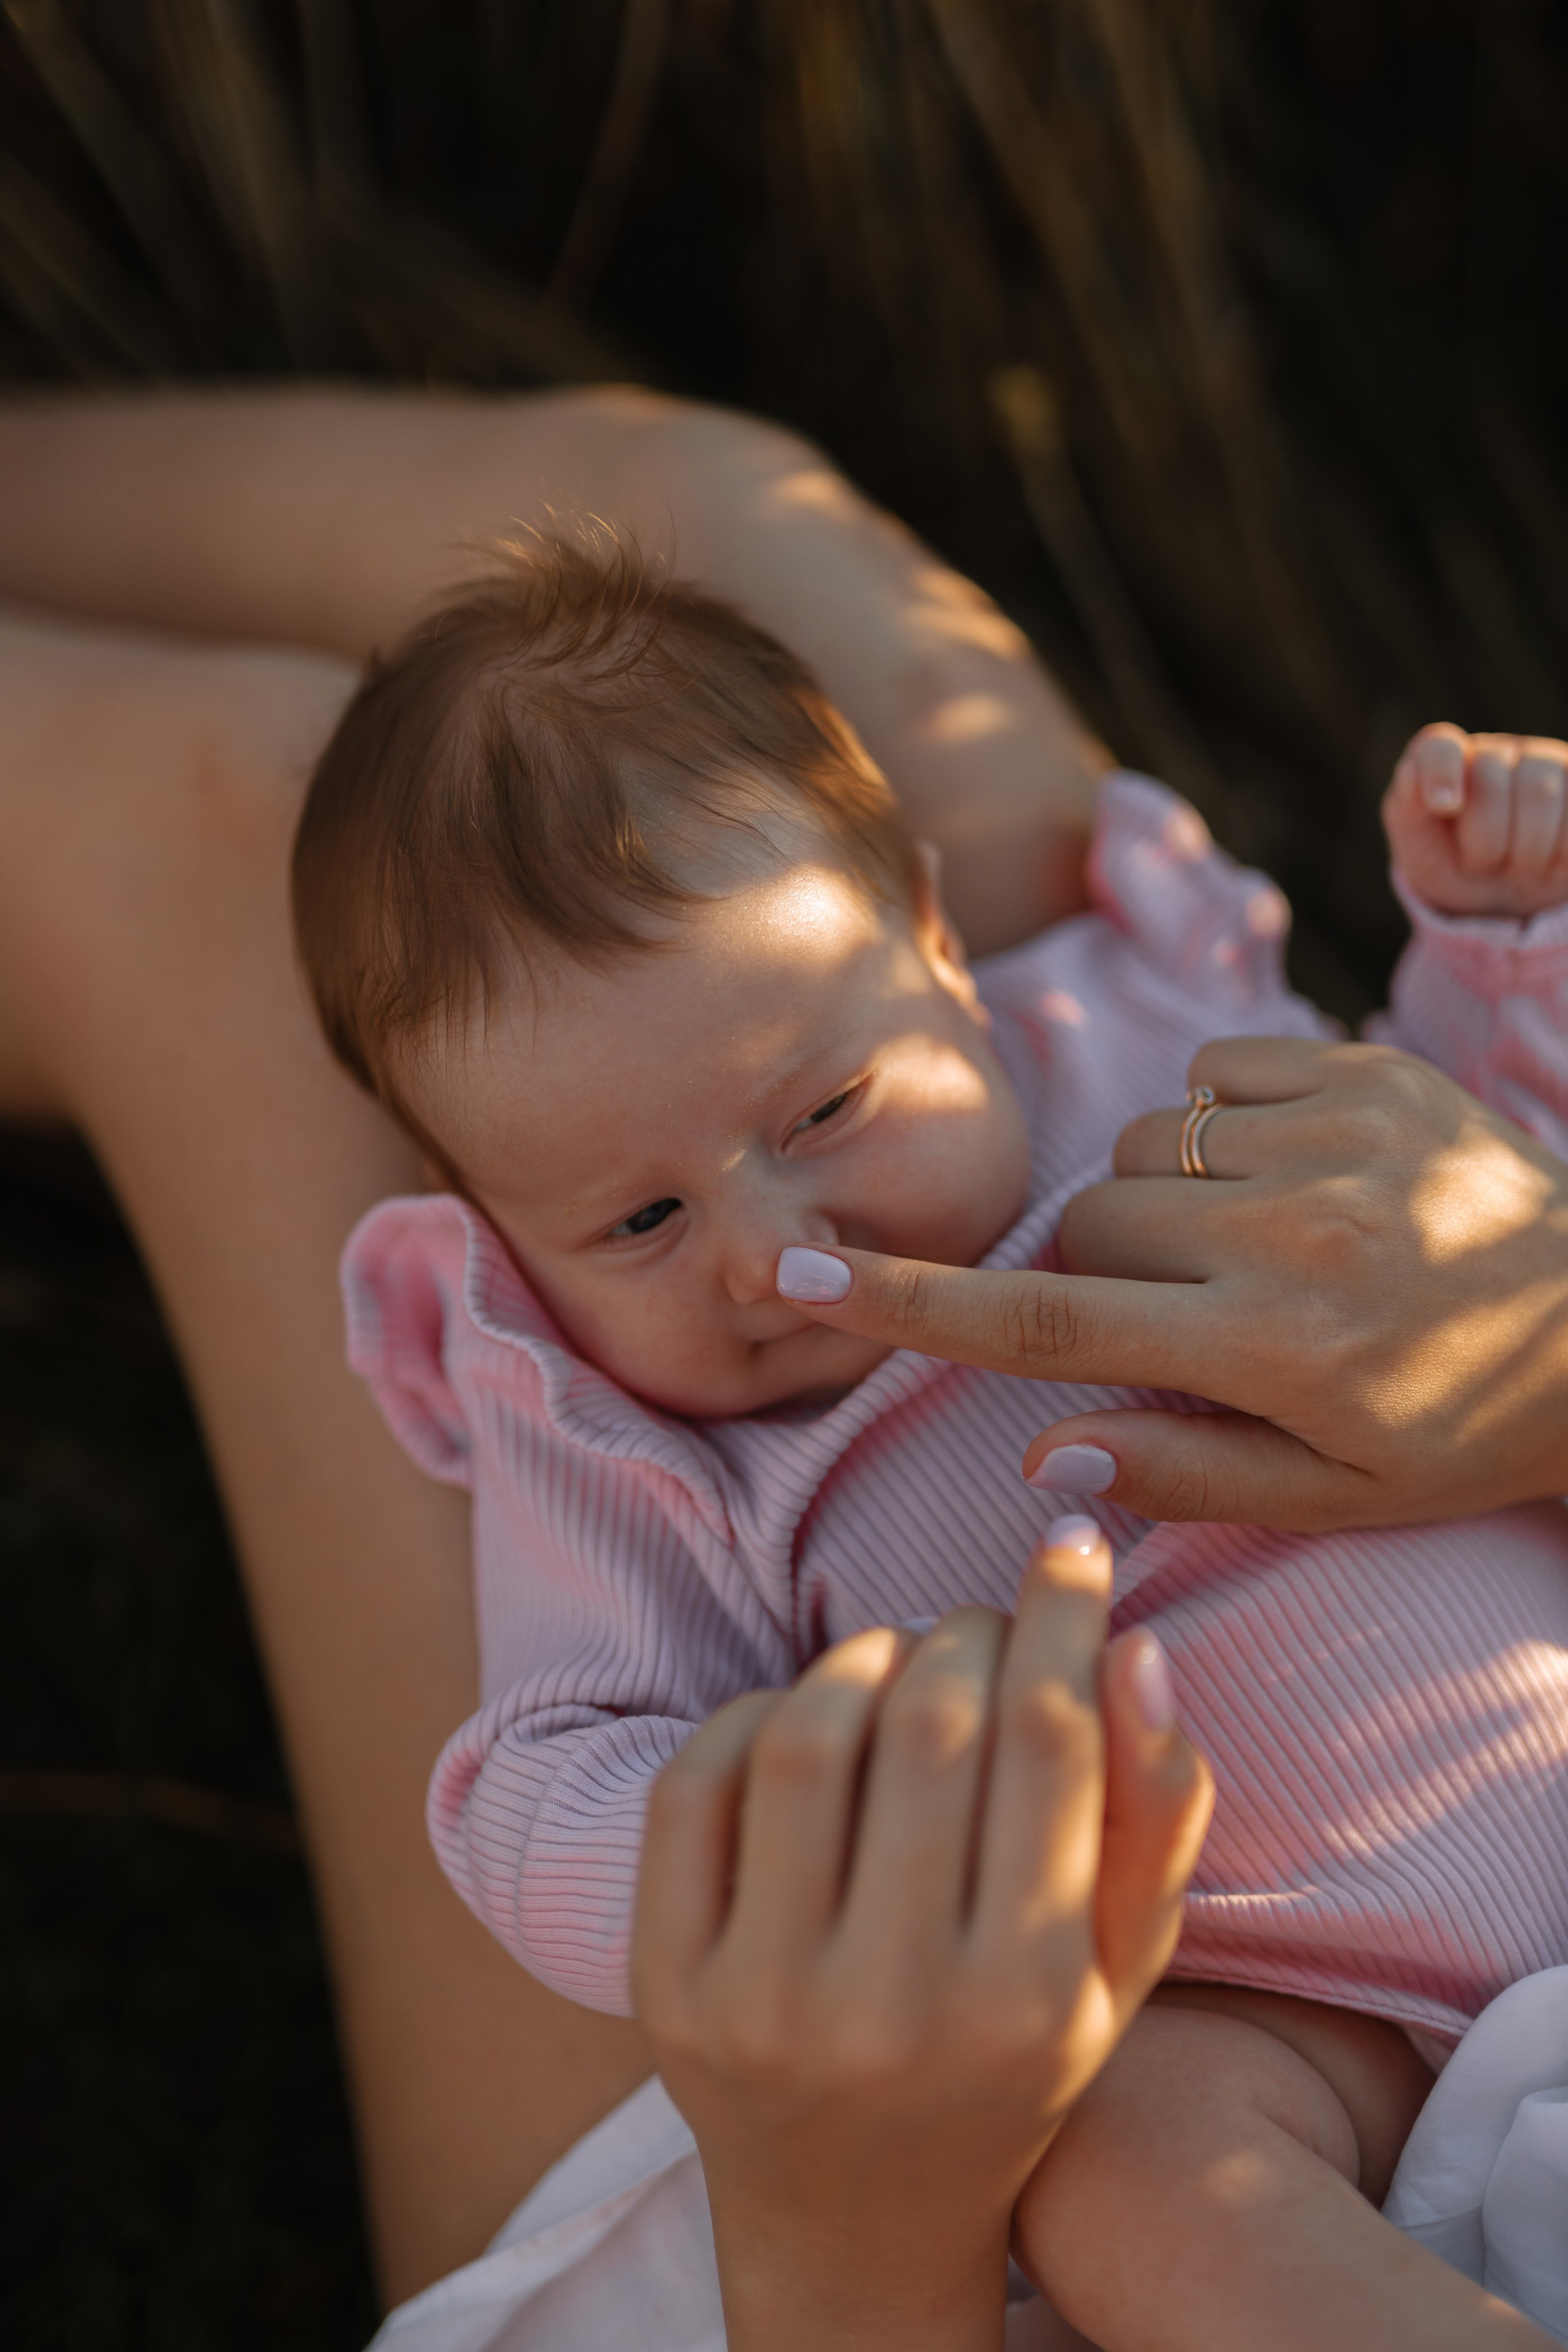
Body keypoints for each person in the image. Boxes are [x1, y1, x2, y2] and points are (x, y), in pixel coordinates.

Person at [0, 385, 1564, 2335]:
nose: (774, 1252)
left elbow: (1462, 1128)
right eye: (639, 1223)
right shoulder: (639, 1437)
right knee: (1139, 2158)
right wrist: (744, 1825)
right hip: (1272, 1998)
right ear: (485, 1223)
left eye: (825, 1108)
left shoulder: (1145, 1044)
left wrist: (1500, 959)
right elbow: (536, 1775)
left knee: (238, 812)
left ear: (927, 940)